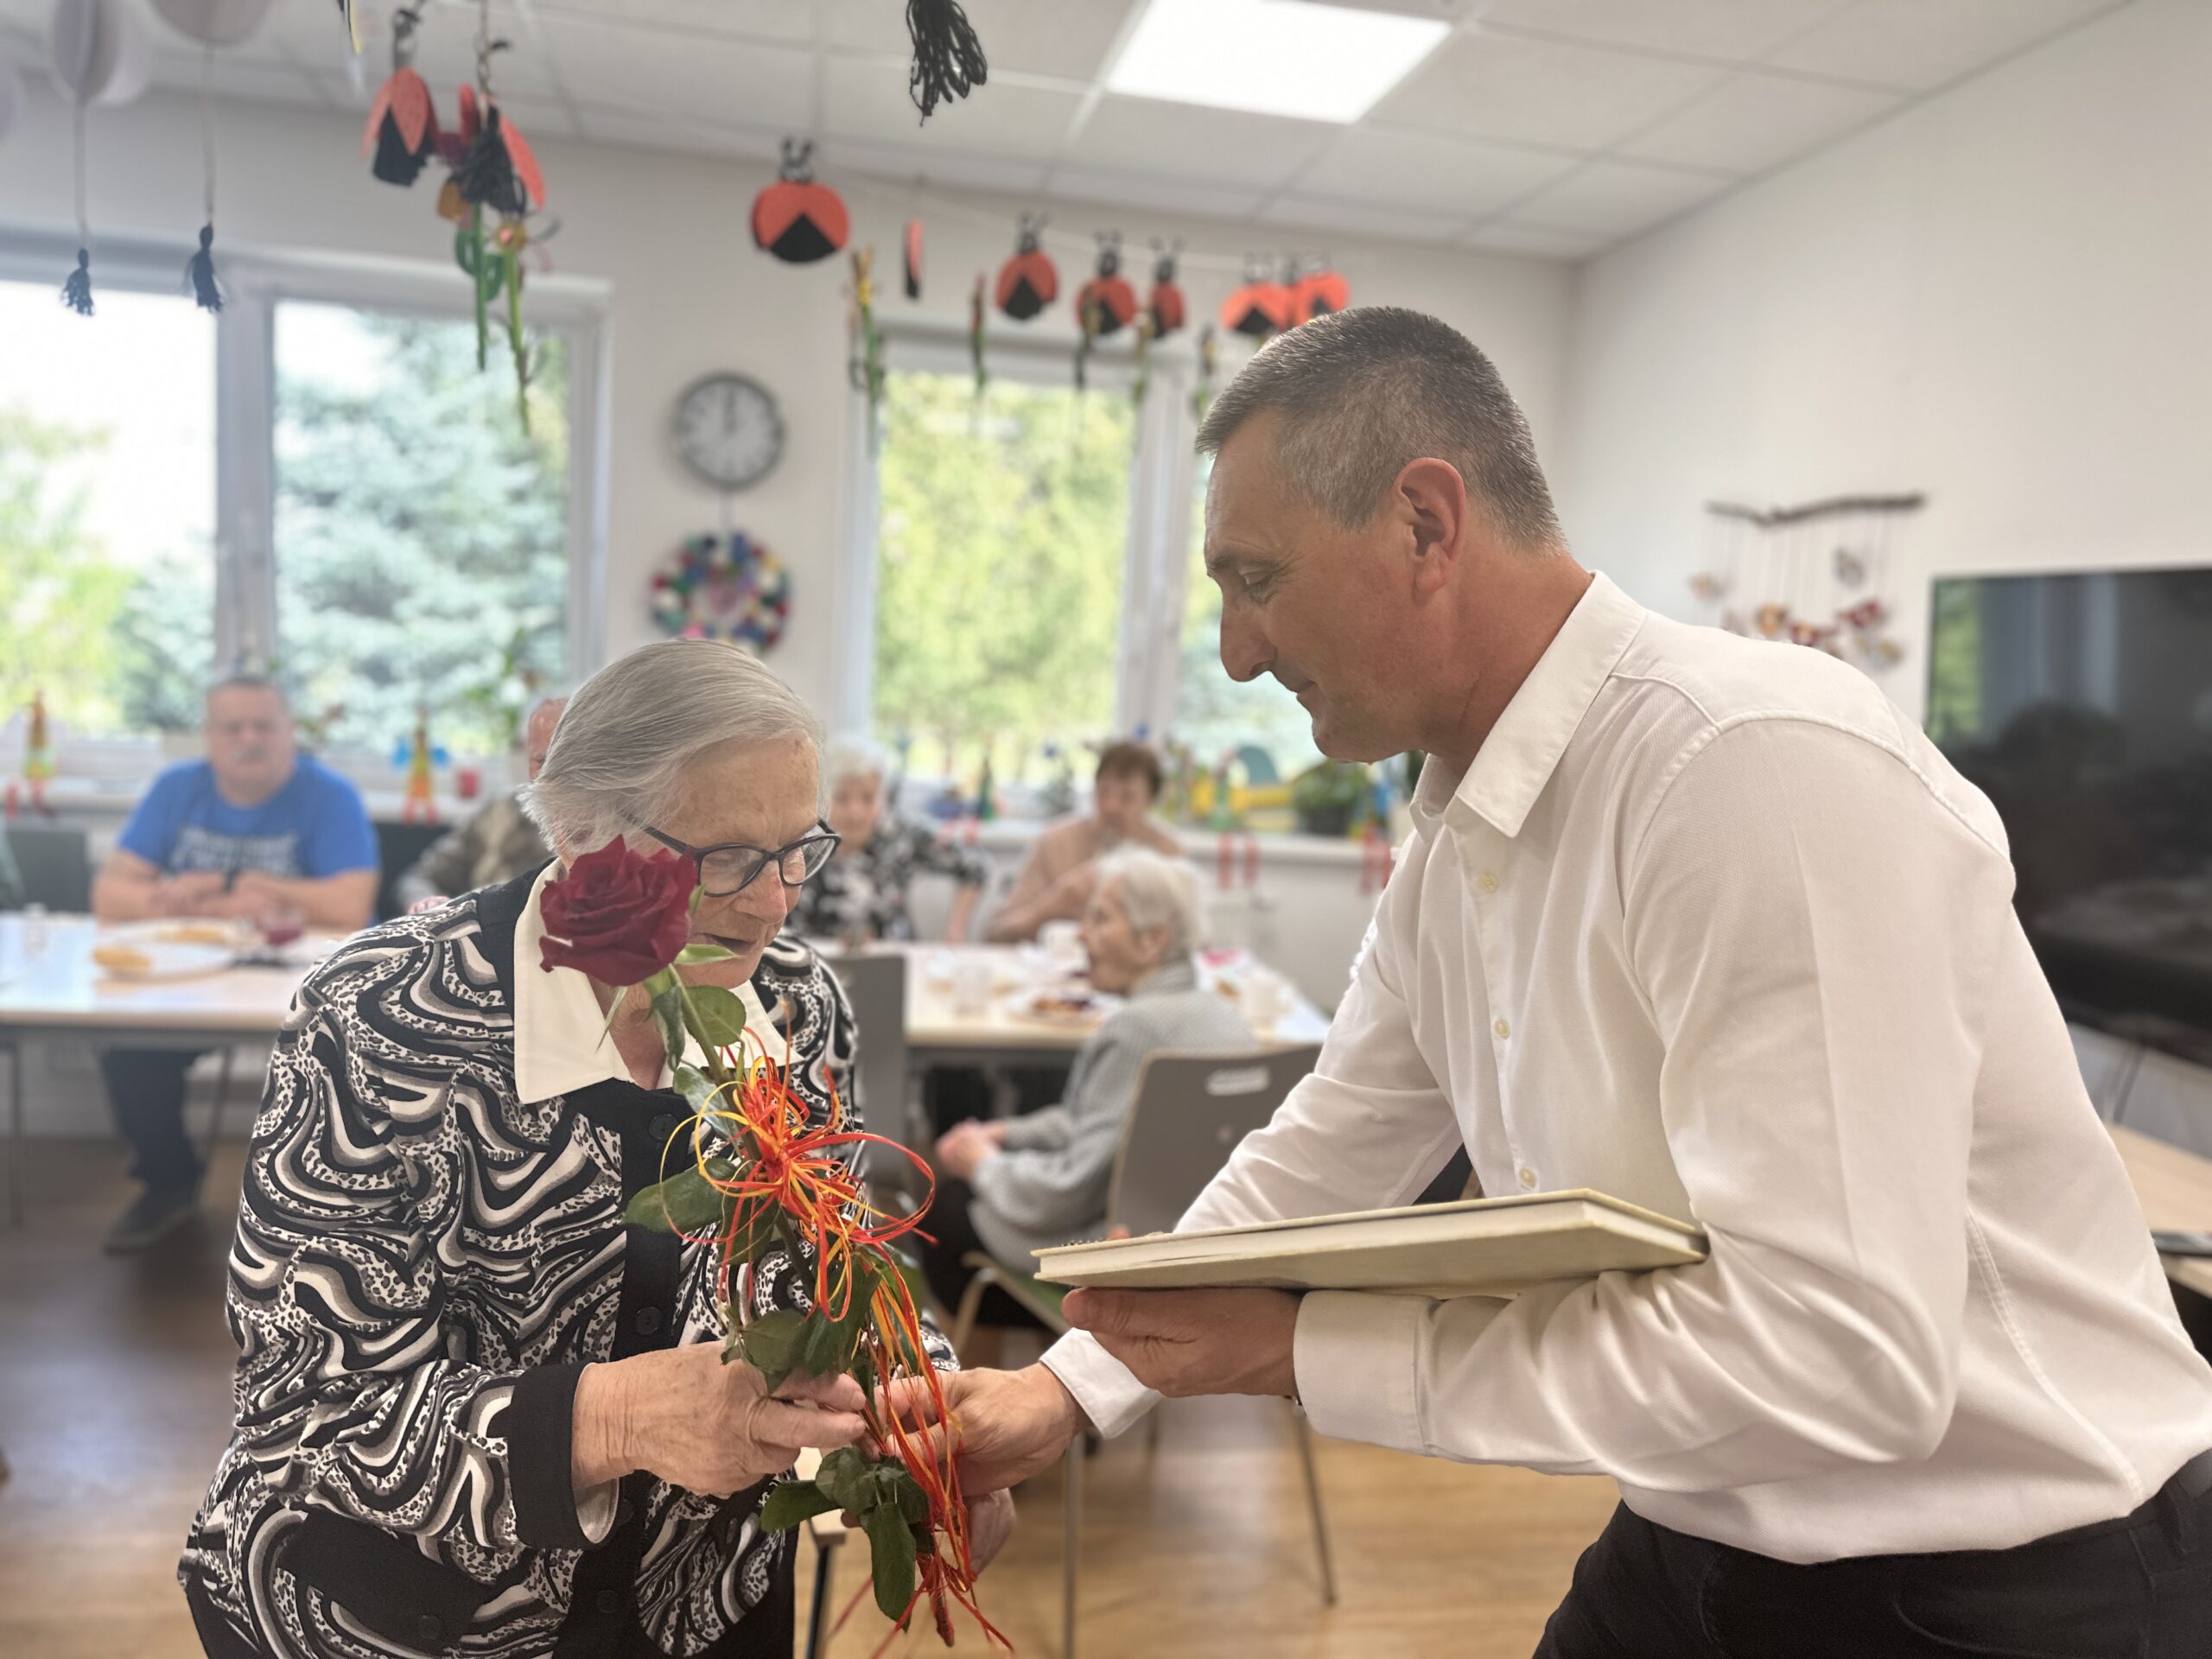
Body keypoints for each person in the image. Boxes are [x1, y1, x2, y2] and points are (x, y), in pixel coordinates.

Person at [893, 308, 2212, 1655]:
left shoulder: (1748, 767)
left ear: (1425, 525)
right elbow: (1333, 1143)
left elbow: (1843, 1359)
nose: (1235, 650)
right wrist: (1062, 1393)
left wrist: (1301, 1353)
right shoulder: (1459, 828)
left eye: (1258, 579)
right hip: (1708, 1518)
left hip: (2023, 1579)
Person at [177, 639, 1011, 1659]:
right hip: (401, 1619)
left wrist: (924, 1412)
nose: (775, 901)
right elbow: (307, 1411)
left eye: (800, 849)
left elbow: (831, 1257)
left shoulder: (797, 1003)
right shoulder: (383, 1015)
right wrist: (612, 1420)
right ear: (579, 835)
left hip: (694, 1606)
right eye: (726, 858)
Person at [90, 675, 378, 1251]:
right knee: (128, 1044)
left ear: (289, 731)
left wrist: (221, 882)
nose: (250, 739)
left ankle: (335, 1211)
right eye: (233, 727)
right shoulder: (176, 789)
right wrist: (236, 904)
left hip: (304, 982)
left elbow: (351, 905)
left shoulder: (330, 796)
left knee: (343, 1054)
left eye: (264, 725)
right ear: (209, 737)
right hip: (189, 978)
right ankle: (167, 1183)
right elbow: (110, 898)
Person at [920, 848, 1249, 1328]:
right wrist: (1007, 1134)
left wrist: (983, 1163)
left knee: (945, 1208)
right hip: (1195, 1248)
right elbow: (1098, 1121)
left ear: (1150, 940)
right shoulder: (1222, 1014)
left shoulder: (1136, 1029)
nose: (1080, 932)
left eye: (1100, 918)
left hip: (1115, 1257)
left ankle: (994, 1361)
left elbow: (1066, 1191)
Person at [789, 734, 986, 944]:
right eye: (842, 797)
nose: (855, 812)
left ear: (882, 798)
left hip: (892, 960)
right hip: (817, 965)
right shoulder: (803, 844)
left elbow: (974, 866)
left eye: (868, 798)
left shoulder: (899, 836)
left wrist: (955, 932)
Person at [984, 741, 1179, 943]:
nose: (1111, 806)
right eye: (1103, 791)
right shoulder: (1055, 842)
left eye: (1127, 797)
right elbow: (997, 933)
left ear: (1151, 800)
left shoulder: (1167, 854)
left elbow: (1186, 941)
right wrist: (1055, 903)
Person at [395, 694, 567, 908]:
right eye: (539, 757)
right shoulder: (495, 811)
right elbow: (418, 879)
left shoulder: (593, 829)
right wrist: (426, 904)